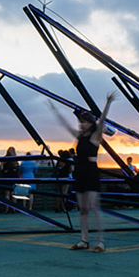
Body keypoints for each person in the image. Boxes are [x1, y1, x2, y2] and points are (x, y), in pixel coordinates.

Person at [51, 92, 117, 252]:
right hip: (80, 171)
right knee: (83, 209)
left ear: (90, 123)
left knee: (94, 206)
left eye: (84, 122)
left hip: (91, 171)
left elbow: (101, 121)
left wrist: (108, 103)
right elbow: (66, 126)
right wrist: (56, 112)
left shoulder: (95, 136)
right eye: (80, 122)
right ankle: (84, 240)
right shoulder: (79, 137)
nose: (81, 125)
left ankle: (101, 242)